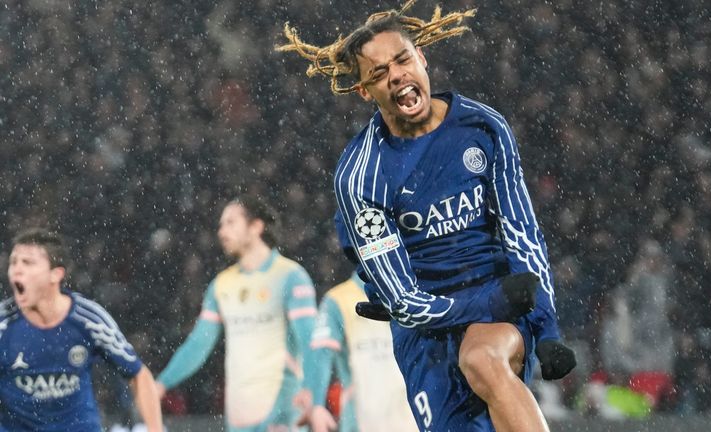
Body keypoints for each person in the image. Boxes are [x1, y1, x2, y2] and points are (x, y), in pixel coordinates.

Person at [278, 1, 576, 431]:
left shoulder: (483, 128)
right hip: (427, 334)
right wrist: (492, 300)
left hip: (498, 308)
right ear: (365, 91)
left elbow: (522, 234)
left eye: (402, 59)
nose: (396, 74)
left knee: (482, 357)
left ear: (422, 57)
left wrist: (545, 329)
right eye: (378, 73)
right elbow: (403, 301)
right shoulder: (361, 176)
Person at [154, 195, 317, 432]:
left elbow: (310, 341)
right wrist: (162, 383)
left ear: (256, 227)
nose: (222, 231)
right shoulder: (221, 285)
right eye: (221, 224)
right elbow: (198, 344)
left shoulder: (290, 277)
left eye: (231, 222)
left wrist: (311, 389)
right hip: (238, 417)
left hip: (282, 413)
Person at [0, 228, 163, 432]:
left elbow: (138, 374)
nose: (16, 269)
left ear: (55, 274)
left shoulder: (88, 320)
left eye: (28, 262)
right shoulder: (3, 325)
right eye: (14, 262)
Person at [296, 272, 418, 432]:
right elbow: (320, 354)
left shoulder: (417, 292)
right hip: (362, 422)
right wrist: (317, 405)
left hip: (415, 421)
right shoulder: (338, 300)